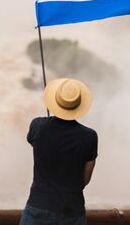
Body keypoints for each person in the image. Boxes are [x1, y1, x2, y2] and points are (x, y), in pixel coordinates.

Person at [20, 78, 98, 225]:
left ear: (55, 102)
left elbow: (33, 143)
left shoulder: (37, 126)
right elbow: (85, 179)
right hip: (72, 212)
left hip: (38, 208)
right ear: (78, 105)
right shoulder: (89, 136)